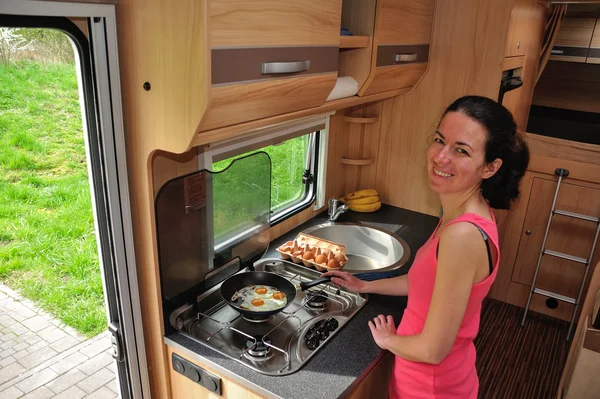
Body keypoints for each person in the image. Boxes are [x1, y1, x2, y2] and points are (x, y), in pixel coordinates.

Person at [324, 95, 529, 398]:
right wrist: (366, 286)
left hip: (429, 386)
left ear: (489, 167)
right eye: (439, 140)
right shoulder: (466, 212)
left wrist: (387, 339)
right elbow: (425, 283)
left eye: (461, 150)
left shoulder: (462, 236)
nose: (440, 157)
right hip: (440, 375)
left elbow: (432, 350)